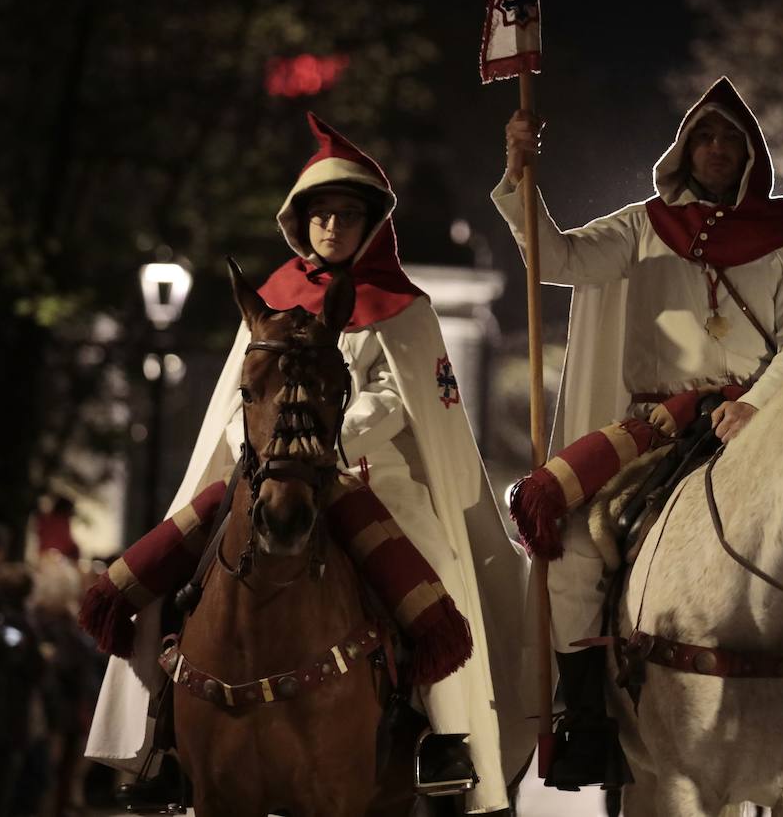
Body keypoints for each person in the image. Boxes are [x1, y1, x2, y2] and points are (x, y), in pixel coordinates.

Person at [492, 76, 783, 788]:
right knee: (574, 546)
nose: (716, 148)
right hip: (658, 427)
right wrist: (521, 174)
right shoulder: (642, 227)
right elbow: (559, 258)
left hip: (759, 424)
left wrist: (757, 403)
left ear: (751, 154)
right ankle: (585, 715)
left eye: (731, 138)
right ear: (684, 148)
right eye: (705, 136)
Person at [86, 113, 533, 815]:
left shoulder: (407, 311)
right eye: (320, 214)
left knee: (437, 570)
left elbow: (398, 399)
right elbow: (244, 390)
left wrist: (337, 426)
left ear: (369, 224)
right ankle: (158, 740)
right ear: (300, 223)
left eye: (346, 214)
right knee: (171, 570)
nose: (332, 226)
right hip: (270, 465)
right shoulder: (268, 301)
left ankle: (446, 740)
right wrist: (268, 439)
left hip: (366, 472)